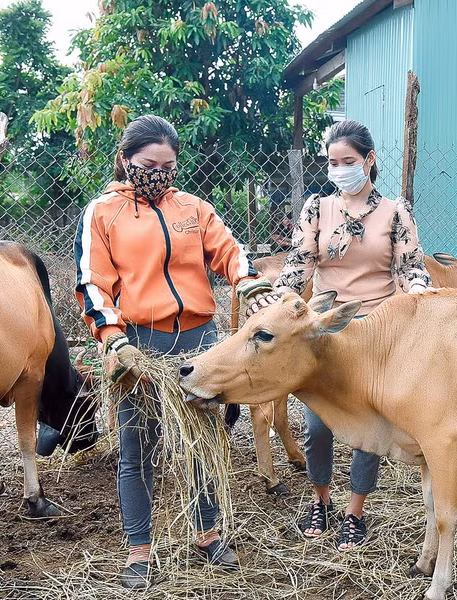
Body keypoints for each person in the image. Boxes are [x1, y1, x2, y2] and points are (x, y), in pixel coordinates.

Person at [74, 115, 274, 589]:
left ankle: (208, 534)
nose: (159, 173)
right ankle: (138, 550)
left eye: (169, 165)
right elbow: (91, 284)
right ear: (126, 160)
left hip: (200, 340)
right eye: (149, 164)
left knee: (206, 444)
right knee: (136, 450)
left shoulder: (194, 208)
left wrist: (248, 284)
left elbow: (229, 251)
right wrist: (113, 339)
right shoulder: (102, 213)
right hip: (137, 345)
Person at [243, 119, 432, 550]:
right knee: (318, 424)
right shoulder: (316, 208)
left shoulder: (395, 211)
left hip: (377, 331)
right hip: (326, 327)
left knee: (368, 424)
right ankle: (320, 500)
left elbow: (410, 268)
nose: (340, 168)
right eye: (332, 162)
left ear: (368, 161)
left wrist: (419, 295)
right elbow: (297, 266)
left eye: (348, 161)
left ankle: (354, 511)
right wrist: (273, 304)